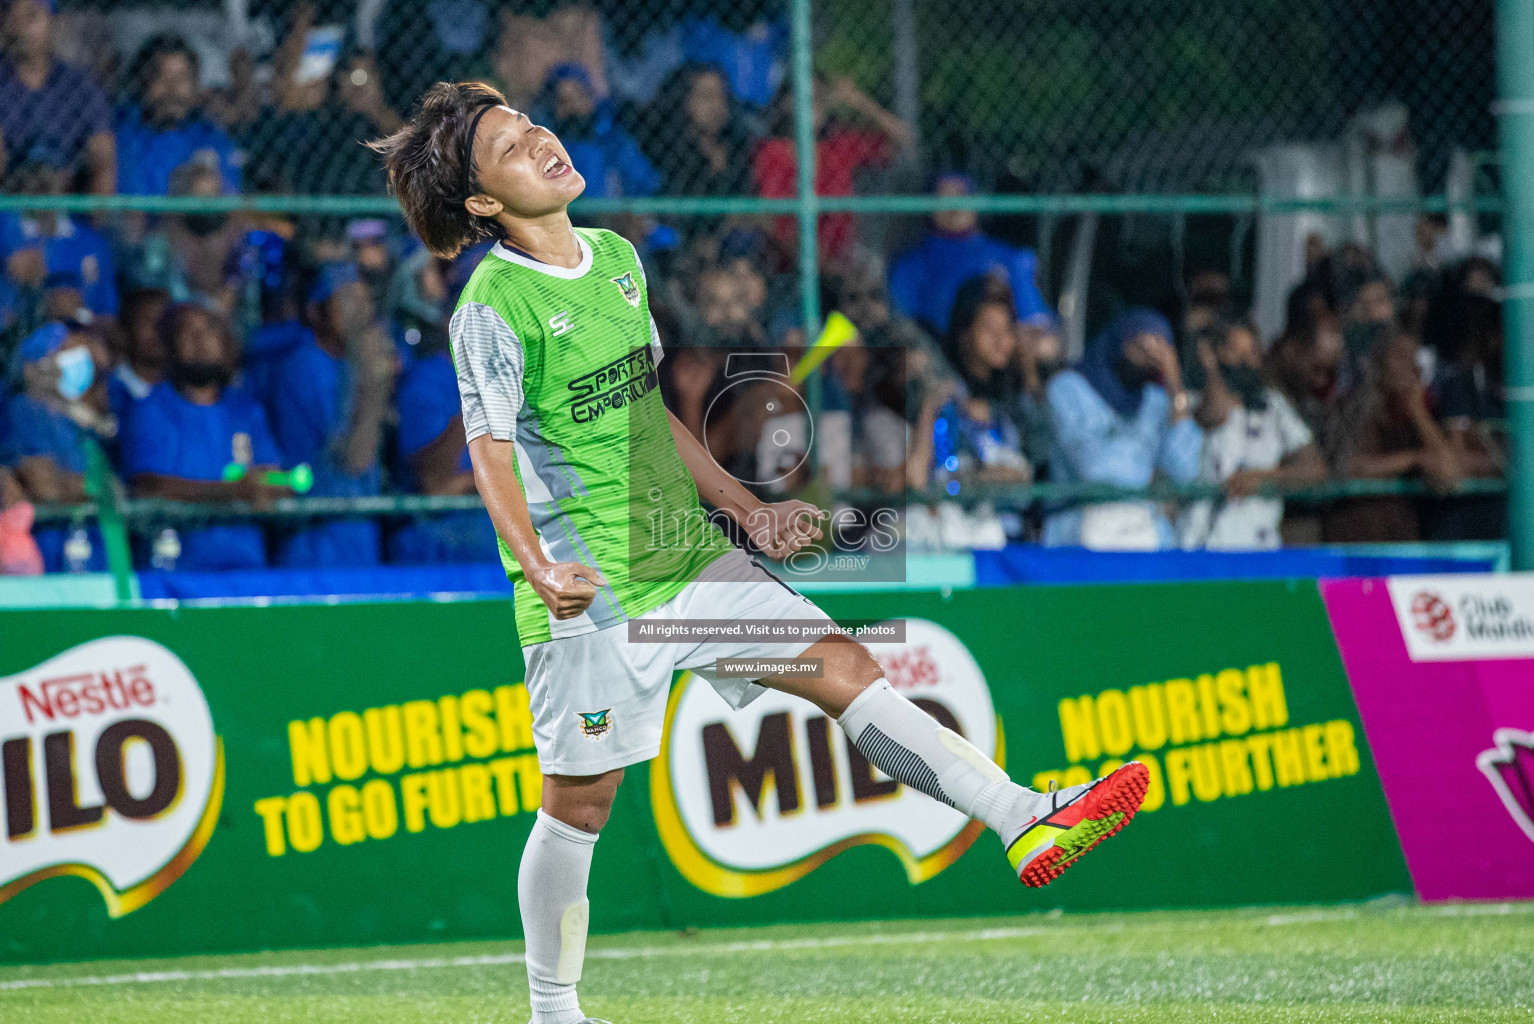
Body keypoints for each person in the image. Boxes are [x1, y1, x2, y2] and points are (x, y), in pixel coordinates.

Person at [369, 80, 1148, 1024]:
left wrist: (746, 511)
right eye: (510, 147)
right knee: (579, 809)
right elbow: (485, 446)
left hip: (687, 558)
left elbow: (648, 415)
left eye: (533, 125)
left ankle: (1019, 817)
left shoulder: (616, 260)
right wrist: (537, 566)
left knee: (846, 666)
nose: (541, 143)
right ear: (484, 203)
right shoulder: (491, 303)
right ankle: (553, 1009)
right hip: (593, 593)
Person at [120, 304, 286, 571]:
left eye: (210, 329)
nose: (200, 340)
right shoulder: (150, 410)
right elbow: (148, 486)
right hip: (172, 573)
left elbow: (273, 476)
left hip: (246, 570)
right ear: (170, 345)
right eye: (188, 331)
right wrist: (231, 492)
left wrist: (271, 484)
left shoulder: (247, 411)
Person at [264, 263, 394, 568]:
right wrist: (376, 383)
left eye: (365, 301)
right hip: (315, 545)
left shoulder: (351, 365)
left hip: (359, 540)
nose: (362, 312)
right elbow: (352, 461)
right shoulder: (305, 366)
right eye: (347, 299)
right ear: (315, 311)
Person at [1043, 309, 1203, 550]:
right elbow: (1098, 468)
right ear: (1118, 339)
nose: (1147, 356)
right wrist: (1150, 474)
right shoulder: (1067, 387)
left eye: (1158, 351)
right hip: (1075, 539)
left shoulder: (1156, 401)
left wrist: (1176, 388)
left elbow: (1185, 470)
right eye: (1140, 345)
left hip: (1146, 537)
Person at [1178, 318, 1327, 550]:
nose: (1246, 361)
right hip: (1202, 546)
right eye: (1235, 352)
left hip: (1258, 548)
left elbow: (1315, 470)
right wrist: (1210, 367)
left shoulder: (1274, 405)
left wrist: (1263, 477)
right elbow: (1214, 414)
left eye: (1252, 352)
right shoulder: (1192, 400)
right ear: (1216, 355)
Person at [753, 75, 913, 266]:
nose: (813, 103)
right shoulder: (773, 152)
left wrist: (857, 100)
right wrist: (823, 263)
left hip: (841, 255)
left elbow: (903, 138)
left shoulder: (837, 146)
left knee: (872, 269)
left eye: (819, 97)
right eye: (804, 97)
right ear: (787, 103)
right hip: (790, 260)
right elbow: (775, 222)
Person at [1324, 330, 1460, 543]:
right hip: (1355, 540)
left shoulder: (1419, 415)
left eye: (1414, 360)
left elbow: (1448, 472)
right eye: (1400, 358)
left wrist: (1419, 414)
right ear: (1378, 364)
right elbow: (1345, 466)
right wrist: (1412, 459)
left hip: (1403, 540)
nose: (1411, 368)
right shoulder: (1352, 408)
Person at [1, 321, 111, 571]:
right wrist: (87, 488)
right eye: (64, 353)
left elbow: (111, 491)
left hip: (90, 549)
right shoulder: (22, 413)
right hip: (44, 549)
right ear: (31, 368)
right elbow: (46, 489)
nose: (76, 363)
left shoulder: (79, 423)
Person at [888, 172, 1051, 337]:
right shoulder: (911, 266)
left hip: (1007, 349)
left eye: (962, 194)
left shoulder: (1011, 258)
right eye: (944, 197)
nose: (954, 204)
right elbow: (901, 324)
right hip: (938, 353)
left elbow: (1037, 324)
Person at [0, 0, 115, 194]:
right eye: (14, 17)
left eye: (32, 15)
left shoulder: (79, 84)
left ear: (54, 21)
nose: (21, 26)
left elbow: (103, 153)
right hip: (11, 200)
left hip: (65, 198)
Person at [115, 34, 241, 196]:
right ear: (144, 82)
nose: (173, 90)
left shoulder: (212, 138)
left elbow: (228, 199)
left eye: (182, 79)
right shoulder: (122, 133)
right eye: (162, 78)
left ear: (195, 86)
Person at [533, 63, 657, 199]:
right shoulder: (546, 146)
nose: (572, 107)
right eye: (563, 101)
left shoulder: (613, 140)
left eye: (578, 97)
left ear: (590, 98)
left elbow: (643, 181)